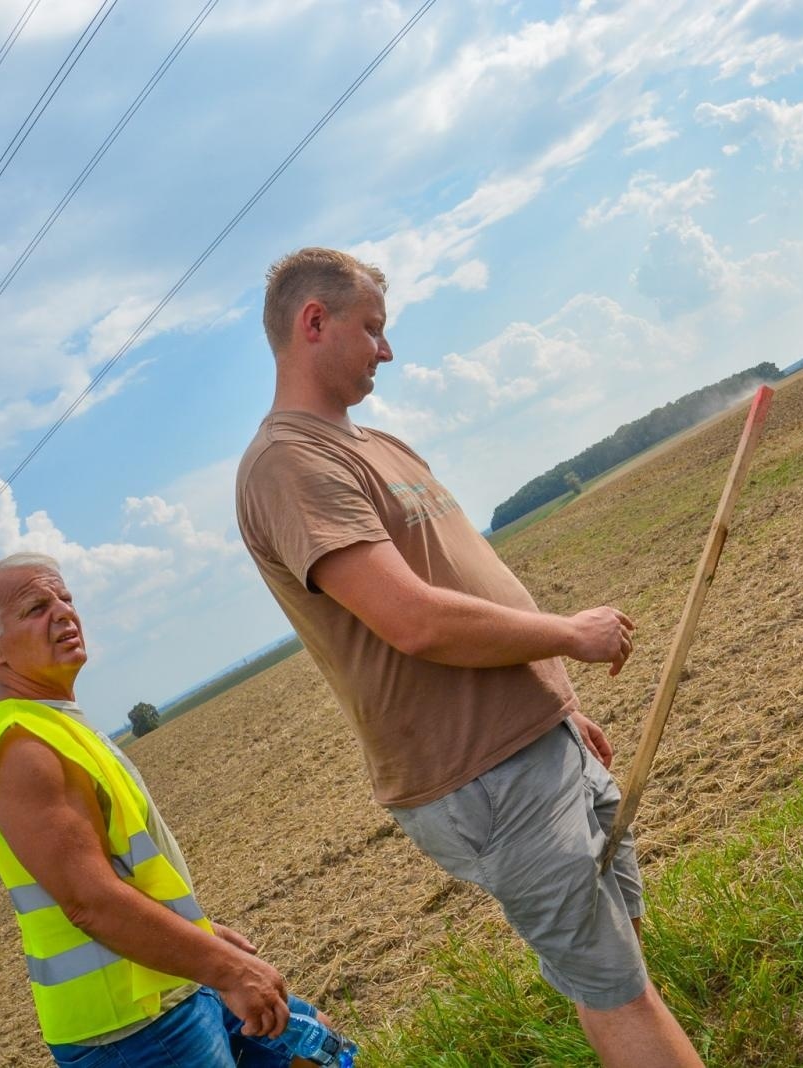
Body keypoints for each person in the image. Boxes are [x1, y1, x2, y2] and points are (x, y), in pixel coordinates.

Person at [235, 248, 705, 1068]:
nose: (387, 350)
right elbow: (413, 620)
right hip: (481, 779)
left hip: (535, 744)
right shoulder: (290, 464)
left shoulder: (379, 445)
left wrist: (557, 709)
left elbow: (457, 578)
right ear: (315, 322)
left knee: (621, 955)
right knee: (613, 988)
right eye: (373, 328)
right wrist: (569, 635)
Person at [0, 552, 340, 1067]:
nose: (64, 614)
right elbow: (90, 901)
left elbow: (121, 869)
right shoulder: (26, 748)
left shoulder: (54, 723)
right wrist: (227, 970)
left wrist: (198, 936)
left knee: (315, 1049)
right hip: (130, 1025)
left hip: (169, 980)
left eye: (65, 599)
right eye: (35, 608)